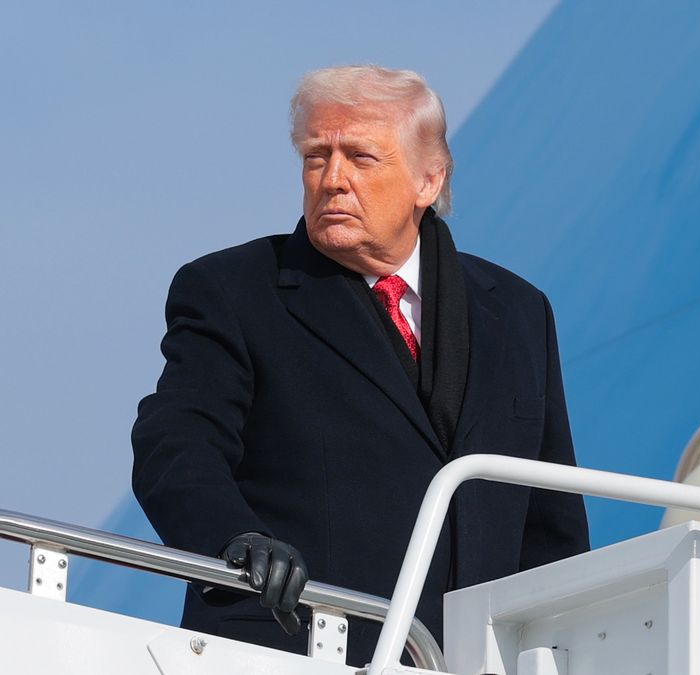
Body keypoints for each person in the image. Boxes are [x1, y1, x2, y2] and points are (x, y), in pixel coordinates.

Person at [131, 65, 590, 665]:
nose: (332, 180)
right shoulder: (231, 291)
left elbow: (551, 519)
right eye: (316, 157)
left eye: (361, 158)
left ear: (430, 180)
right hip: (295, 650)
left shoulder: (520, 313)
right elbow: (175, 443)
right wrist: (232, 542)